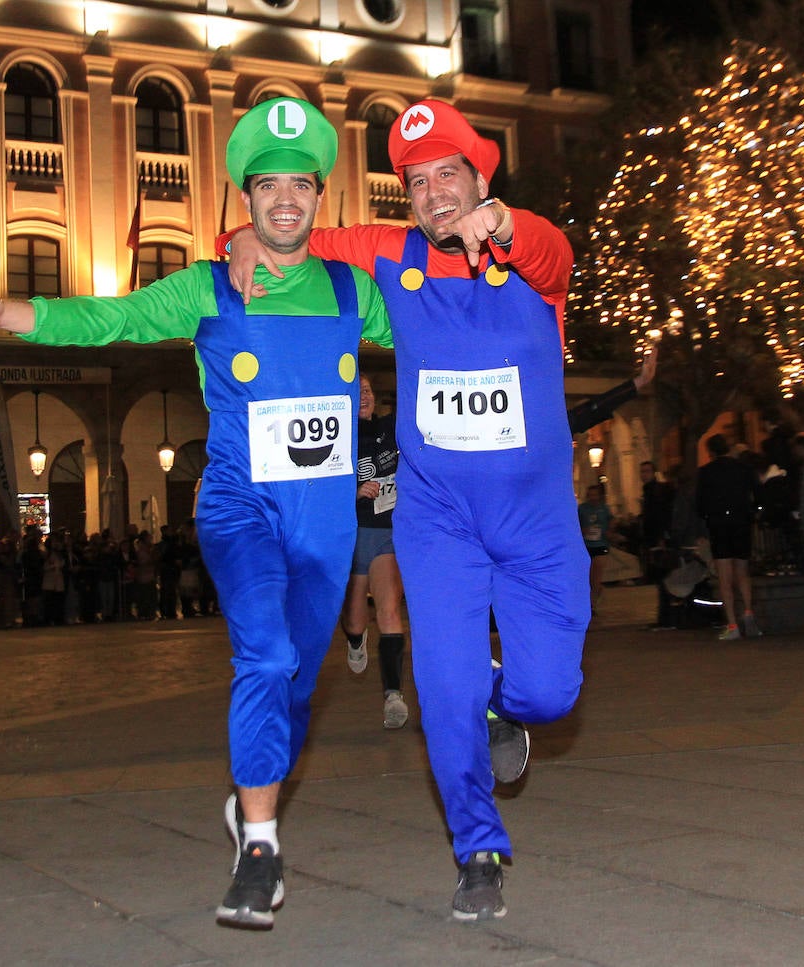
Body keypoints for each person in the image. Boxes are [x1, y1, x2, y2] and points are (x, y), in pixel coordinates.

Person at [0, 95, 393, 930]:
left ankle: (257, 790)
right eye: (267, 185)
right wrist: (10, 315)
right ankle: (259, 845)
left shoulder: (360, 291)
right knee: (264, 650)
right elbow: (113, 315)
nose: (285, 199)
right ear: (245, 199)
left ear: (321, 198)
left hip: (327, 523)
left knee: (292, 683)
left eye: (301, 185)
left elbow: (447, 330)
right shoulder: (210, 284)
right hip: (240, 505)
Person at [223, 98, 589, 922]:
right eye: (416, 182)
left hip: (536, 523)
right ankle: (478, 847)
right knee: (442, 684)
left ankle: (510, 702)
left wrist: (504, 223)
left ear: (478, 176)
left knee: (551, 692)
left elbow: (551, 250)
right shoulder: (392, 252)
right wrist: (239, 239)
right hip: (438, 520)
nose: (432, 194)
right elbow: (292, 232)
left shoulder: (534, 262)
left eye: (447, 175)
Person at [340, 372, 410, 730]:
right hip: (353, 533)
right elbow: (321, 486)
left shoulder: (390, 428)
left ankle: (393, 694)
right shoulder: (338, 434)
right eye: (357, 391)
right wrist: (353, 492)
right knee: (355, 617)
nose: (364, 395)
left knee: (389, 609)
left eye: (367, 389)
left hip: (386, 532)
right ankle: (355, 638)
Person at [695, 434, 762, 640]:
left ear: (711, 452)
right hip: (741, 521)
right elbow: (758, 493)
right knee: (742, 570)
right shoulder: (743, 469)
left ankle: (732, 624)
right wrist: (753, 512)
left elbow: (700, 503)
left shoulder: (706, 472)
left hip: (719, 524)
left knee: (724, 576)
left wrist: (708, 516)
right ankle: (749, 612)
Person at [638, 459, 677, 630]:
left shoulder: (655, 491)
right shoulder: (649, 491)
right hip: (654, 538)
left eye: (647, 471)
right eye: (642, 471)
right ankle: (664, 616)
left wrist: (660, 537)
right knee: (661, 579)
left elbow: (658, 516)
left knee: (662, 578)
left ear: (653, 472)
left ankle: (666, 617)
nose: (644, 474)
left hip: (657, 540)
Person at [579, 482, 613, 615]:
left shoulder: (604, 509)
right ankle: (592, 598)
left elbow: (611, 522)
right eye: (590, 495)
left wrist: (609, 531)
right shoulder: (582, 509)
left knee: (596, 575)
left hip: (601, 545)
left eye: (595, 495)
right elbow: (575, 524)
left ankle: (592, 604)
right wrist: (582, 530)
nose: (593, 498)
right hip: (586, 546)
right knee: (588, 577)